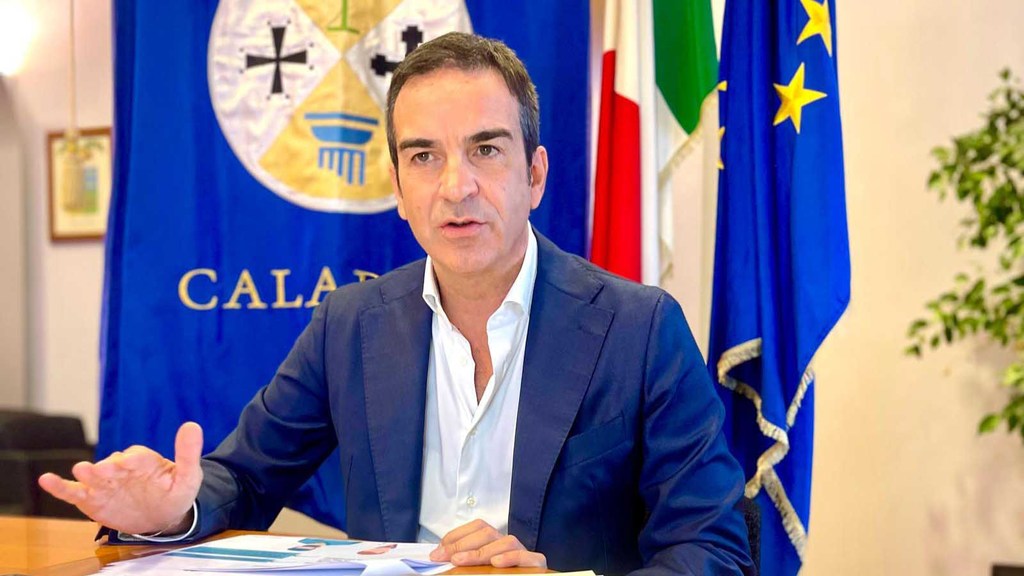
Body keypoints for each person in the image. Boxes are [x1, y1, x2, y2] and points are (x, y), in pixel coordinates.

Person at [39, 32, 753, 575]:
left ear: (535, 175)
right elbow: (245, 477)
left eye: (486, 150)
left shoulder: (639, 328)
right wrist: (171, 514)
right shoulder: (349, 325)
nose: (456, 186)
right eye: (424, 156)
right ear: (400, 190)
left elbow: (713, 547)